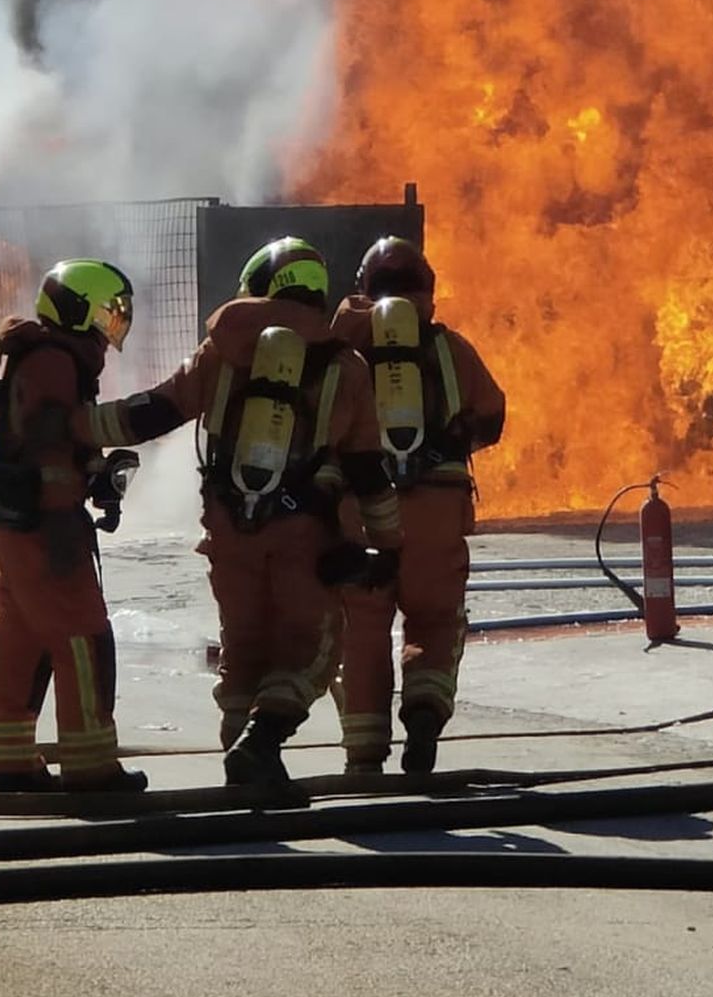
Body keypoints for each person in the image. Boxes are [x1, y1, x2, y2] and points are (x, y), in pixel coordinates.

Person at [78, 237, 401, 796]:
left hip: (229, 529)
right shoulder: (345, 366)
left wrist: (74, 426)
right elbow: (368, 466)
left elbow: (155, 410)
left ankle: (245, 767)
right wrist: (389, 543)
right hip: (307, 532)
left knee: (244, 646)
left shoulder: (220, 352)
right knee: (312, 647)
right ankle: (260, 745)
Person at [330, 237, 507, 777]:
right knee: (433, 620)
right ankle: (424, 712)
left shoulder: (338, 347)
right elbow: (492, 419)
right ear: (427, 291)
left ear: (363, 289)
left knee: (360, 629)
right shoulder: (452, 349)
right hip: (435, 508)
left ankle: (364, 753)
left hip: (361, 511)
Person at [0, 258, 147, 795]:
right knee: (84, 636)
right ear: (77, 309)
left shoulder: (49, 355)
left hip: (15, 517)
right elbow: (51, 441)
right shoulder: (55, 361)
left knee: (23, 635)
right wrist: (60, 521)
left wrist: (96, 474)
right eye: (107, 312)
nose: (112, 324)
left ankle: (9, 762)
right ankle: (90, 767)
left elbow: (50, 440)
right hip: (43, 522)